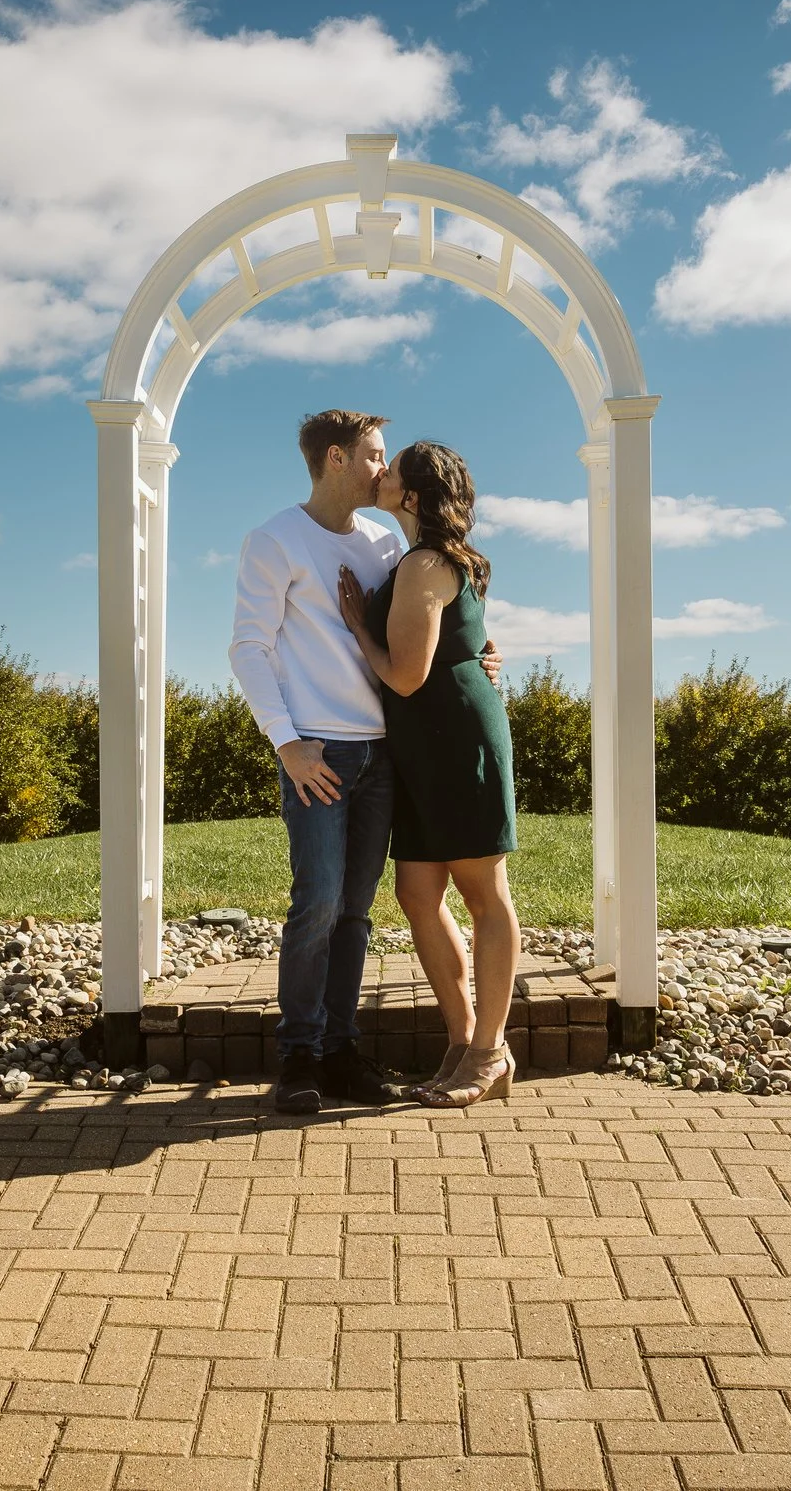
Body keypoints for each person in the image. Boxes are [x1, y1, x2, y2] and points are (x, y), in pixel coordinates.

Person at [229, 410, 501, 1115]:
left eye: (390, 459)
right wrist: (286, 741)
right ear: (336, 458)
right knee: (316, 902)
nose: (385, 469)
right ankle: (298, 1056)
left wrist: (481, 654)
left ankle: (342, 1049)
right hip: (317, 750)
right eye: (375, 455)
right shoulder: (274, 539)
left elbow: (430, 618)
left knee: (355, 910)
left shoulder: (386, 542)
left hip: (384, 753)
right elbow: (248, 648)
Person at [337, 440, 522, 1109]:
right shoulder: (428, 558)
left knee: (483, 894)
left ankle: (489, 1049)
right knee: (418, 893)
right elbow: (470, 642)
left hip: (453, 740)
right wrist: (486, 657)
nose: (380, 474)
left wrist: (360, 626)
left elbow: (408, 674)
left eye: (393, 469)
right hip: (424, 743)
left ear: (412, 496)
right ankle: (464, 1039)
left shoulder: (422, 562)